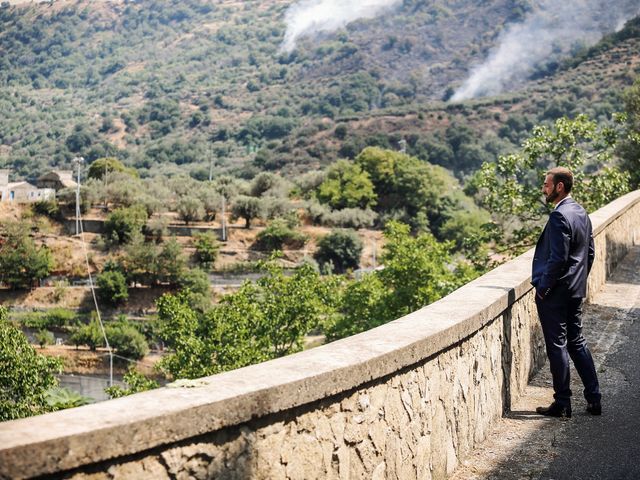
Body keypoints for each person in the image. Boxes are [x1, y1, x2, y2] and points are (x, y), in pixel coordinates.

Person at [531, 167, 601, 418]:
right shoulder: (581, 212)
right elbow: (589, 253)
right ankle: (594, 398)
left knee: (557, 345)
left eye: (547, 184)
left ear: (560, 186)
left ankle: (562, 403)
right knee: (577, 341)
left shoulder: (559, 216)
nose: (544, 188)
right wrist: (578, 279)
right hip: (574, 289)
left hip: (556, 292)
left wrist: (544, 288)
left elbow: (557, 258)